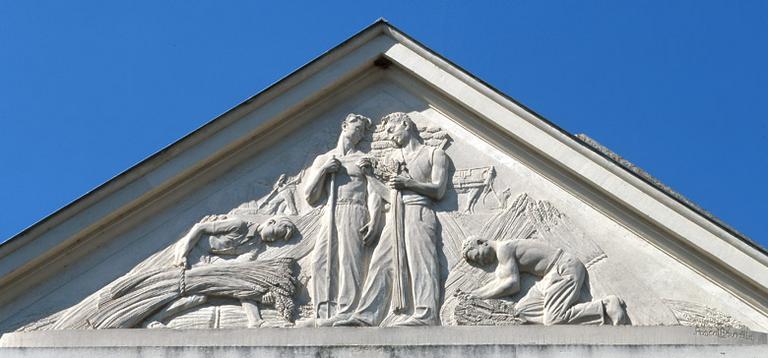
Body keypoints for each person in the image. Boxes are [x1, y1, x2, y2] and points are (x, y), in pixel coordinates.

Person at [336, 112, 449, 327]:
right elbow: (388, 194)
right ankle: (366, 316)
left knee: (421, 262)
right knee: (381, 261)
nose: (389, 137)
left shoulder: (434, 154)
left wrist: (408, 183)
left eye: (391, 130)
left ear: (405, 125)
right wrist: (370, 176)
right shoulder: (391, 159)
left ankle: (426, 315)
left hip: (419, 211)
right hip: (395, 214)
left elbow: (438, 190)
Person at [303, 113, 383, 326]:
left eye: (362, 132)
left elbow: (374, 191)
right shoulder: (324, 159)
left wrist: (375, 218)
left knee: (349, 261)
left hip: (355, 210)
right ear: (344, 125)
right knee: (320, 261)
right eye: (356, 128)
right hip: (331, 210)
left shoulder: (363, 160)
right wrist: (323, 171)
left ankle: (346, 310)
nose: (359, 134)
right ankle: (322, 314)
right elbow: (310, 196)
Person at [461, 237, 628, 325]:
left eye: (478, 256)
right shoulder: (503, 253)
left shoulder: (504, 248)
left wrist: (479, 297)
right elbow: (500, 282)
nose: (481, 262)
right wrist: (473, 295)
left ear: (481, 242)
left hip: (562, 268)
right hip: (550, 276)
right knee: (521, 311)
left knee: (553, 319)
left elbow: (512, 284)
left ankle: (605, 307)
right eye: (477, 262)